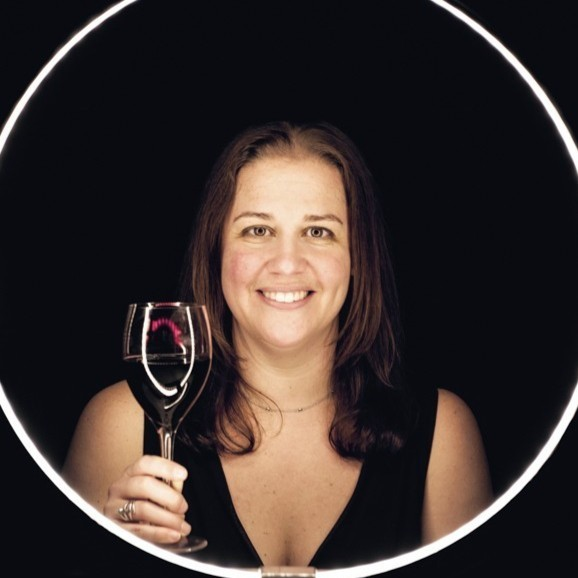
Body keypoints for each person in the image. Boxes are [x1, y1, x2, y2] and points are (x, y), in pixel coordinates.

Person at [62, 120, 493, 569]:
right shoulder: (117, 425)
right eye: (258, 230)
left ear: (357, 259)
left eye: (318, 232)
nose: (287, 263)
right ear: (216, 251)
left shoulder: (444, 436)